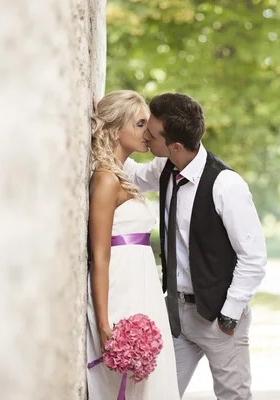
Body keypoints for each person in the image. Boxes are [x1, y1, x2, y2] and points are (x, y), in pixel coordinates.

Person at [124, 93, 267, 400]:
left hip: (219, 318)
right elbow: (131, 175)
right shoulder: (165, 166)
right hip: (176, 315)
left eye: (151, 132)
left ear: (174, 145)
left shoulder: (226, 185)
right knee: (155, 394)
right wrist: (108, 129)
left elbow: (253, 258)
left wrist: (228, 316)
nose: (146, 136)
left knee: (234, 397)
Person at [86, 90, 179, 400]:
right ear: (115, 130)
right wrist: (103, 323)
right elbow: (99, 255)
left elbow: (166, 157)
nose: (148, 132)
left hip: (142, 289)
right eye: (140, 124)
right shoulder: (106, 179)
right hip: (121, 292)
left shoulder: (125, 175)